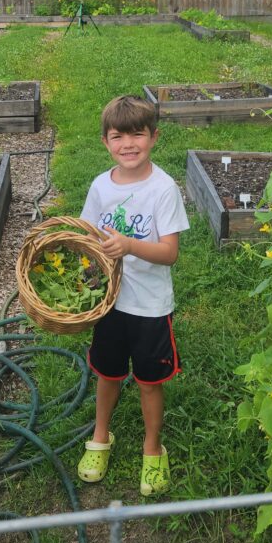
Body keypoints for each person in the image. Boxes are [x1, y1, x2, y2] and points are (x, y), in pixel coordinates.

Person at [77, 94, 189, 496]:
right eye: (117, 136)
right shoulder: (99, 187)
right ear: (105, 142)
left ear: (154, 137)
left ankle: (152, 448)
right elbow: (87, 236)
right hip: (110, 303)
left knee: (148, 381)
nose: (128, 144)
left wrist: (129, 246)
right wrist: (85, 271)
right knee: (107, 374)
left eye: (137, 135)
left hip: (149, 308)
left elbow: (169, 253)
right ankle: (100, 437)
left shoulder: (163, 189)